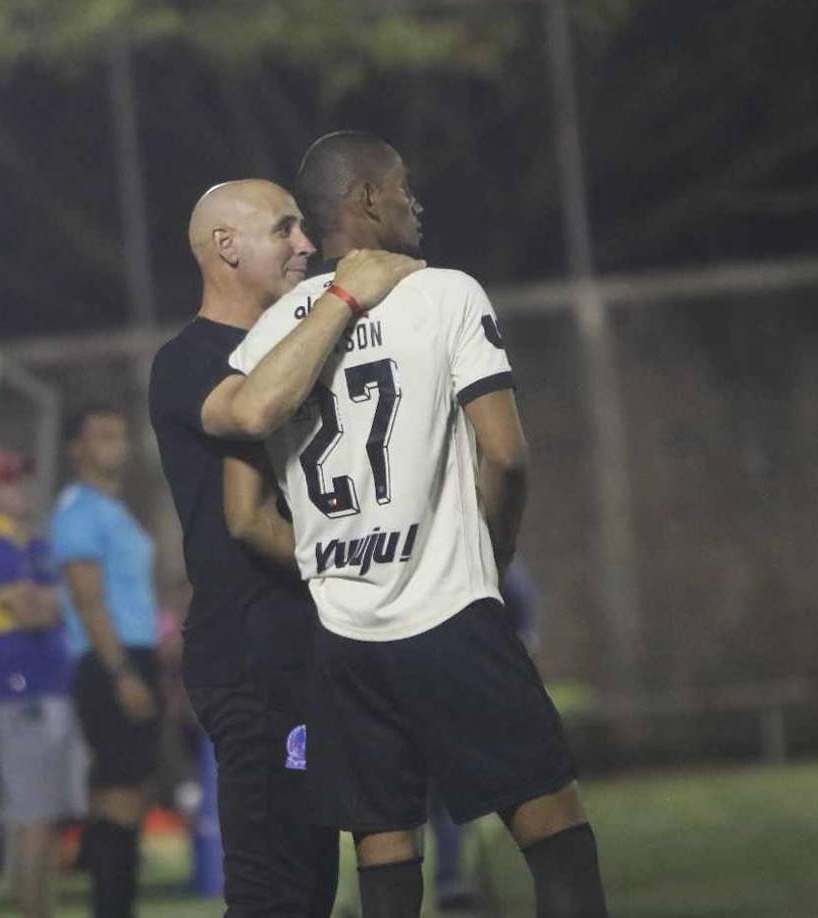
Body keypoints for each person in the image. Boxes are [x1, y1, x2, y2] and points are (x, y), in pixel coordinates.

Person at [224, 132, 609, 918]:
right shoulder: (445, 293)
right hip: (448, 609)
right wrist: (490, 557)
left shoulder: (273, 334)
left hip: (343, 631)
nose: (415, 201)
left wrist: (330, 563)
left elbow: (242, 514)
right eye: (403, 186)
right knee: (553, 828)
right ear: (365, 200)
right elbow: (505, 456)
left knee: (385, 852)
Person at [148, 179, 422, 916]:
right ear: (226, 246)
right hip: (251, 652)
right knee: (272, 887)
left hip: (311, 645)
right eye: (284, 229)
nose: (306, 245)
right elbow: (254, 410)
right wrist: (346, 298)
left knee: (308, 884)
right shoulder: (186, 361)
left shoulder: (295, 343)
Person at [0, 449, 83, 918]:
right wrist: (57, 603)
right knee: (33, 818)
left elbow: (53, 606)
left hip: (51, 688)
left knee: (48, 819)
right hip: (21, 695)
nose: (23, 490)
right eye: (11, 482)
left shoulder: (32, 546)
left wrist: (52, 604)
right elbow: (38, 612)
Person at [51, 406, 161, 918]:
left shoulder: (113, 509)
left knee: (126, 793)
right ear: (77, 449)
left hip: (130, 654)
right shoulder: (79, 510)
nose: (118, 444)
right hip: (110, 660)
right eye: (103, 435)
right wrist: (121, 673)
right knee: (121, 795)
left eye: (121, 434)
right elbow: (86, 598)